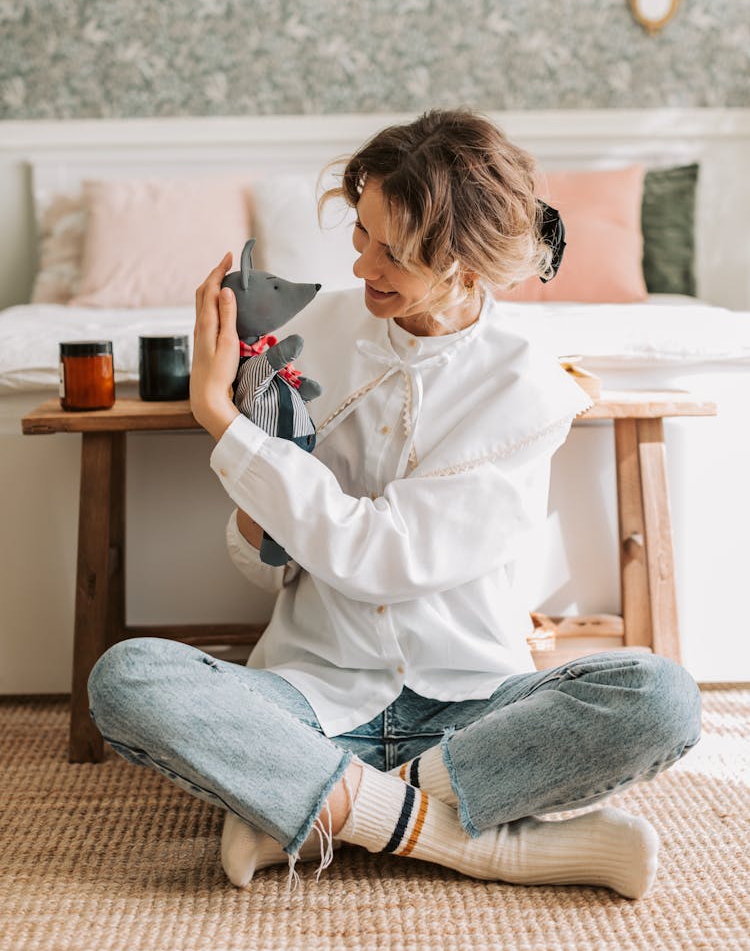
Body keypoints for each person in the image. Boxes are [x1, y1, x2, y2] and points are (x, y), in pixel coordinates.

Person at [88, 109, 701, 899]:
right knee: (128, 677)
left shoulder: (525, 388)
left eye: (393, 251)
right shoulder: (312, 333)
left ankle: (318, 803)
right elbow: (259, 559)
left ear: (469, 266)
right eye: (361, 232)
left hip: (475, 709)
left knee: (661, 699)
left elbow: (382, 559)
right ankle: (475, 843)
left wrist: (223, 424)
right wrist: (257, 488)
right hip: (310, 697)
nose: (362, 263)